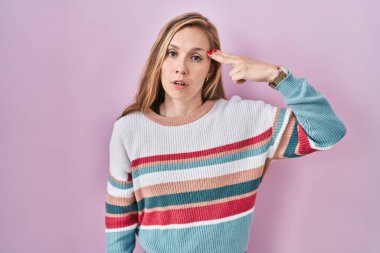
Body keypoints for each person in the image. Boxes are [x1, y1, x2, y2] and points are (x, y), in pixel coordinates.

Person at [104, 12, 346, 253]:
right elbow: (119, 226)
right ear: (159, 60)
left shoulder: (246, 120)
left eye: (196, 57)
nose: (181, 68)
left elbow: (328, 132)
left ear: (210, 69)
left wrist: (277, 75)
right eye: (172, 53)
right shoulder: (129, 130)